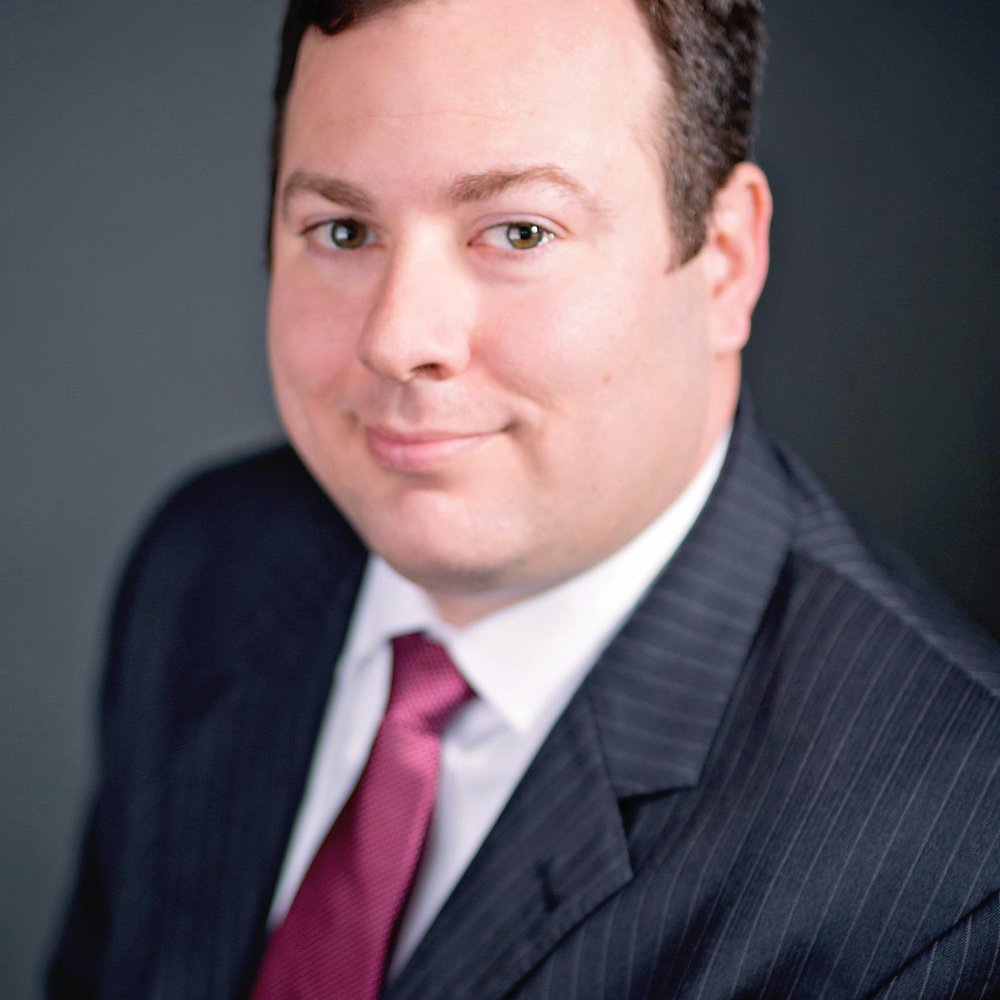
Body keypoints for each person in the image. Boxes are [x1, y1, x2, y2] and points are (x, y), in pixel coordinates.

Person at [48, 0, 1000, 997]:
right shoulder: (206, 563)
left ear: (726, 262)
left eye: (519, 231)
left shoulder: (955, 859)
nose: (397, 338)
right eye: (344, 229)